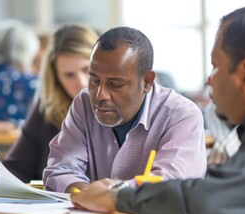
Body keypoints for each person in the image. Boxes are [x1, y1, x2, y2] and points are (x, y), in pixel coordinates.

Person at [71, 6, 245, 214]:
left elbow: (210, 198)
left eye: (216, 66)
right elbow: (242, 194)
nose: (210, 79)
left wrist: (117, 196)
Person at [44, 26, 207, 193]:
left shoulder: (182, 115)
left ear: (147, 81)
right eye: (94, 80)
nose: (100, 95)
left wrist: (106, 195)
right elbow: (60, 169)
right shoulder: (83, 103)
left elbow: (170, 186)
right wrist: (83, 192)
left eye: (115, 84)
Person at [2, 24, 99, 182]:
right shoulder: (45, 111)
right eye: (69, 75)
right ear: (56, 78)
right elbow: (15, 169)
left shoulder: (121, 110)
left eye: (87, 69)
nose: (81, 83)